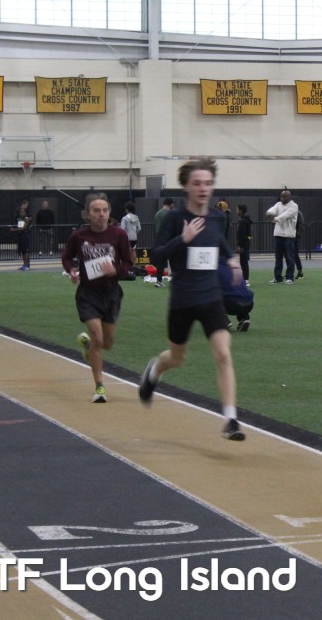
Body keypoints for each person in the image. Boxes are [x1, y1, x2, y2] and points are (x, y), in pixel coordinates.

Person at [138, 158, 246, 441]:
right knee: (176, 358)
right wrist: (182, 239)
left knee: (223, 353)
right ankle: (154, 371)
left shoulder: (218, 217)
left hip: (211, 296)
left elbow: (218, 241)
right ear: (186, 186)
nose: (203, 188)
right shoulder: (174, 219)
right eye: (197, 183)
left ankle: (231, 420)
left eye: (208, 183)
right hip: (183, 299)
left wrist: (231, 259)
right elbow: (155, 256)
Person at [61, 193, 134, 404]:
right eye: (96, 211)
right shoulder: (79, 236)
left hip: (111, 293)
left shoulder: (119, 234)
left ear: (109, 213)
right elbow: (67, 257)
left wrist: (115, 270)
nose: (101, 214)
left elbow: (129, 264)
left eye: (104, 210)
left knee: (106, 343)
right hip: (88, 293)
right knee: (97, 337)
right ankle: (99, 387)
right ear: (88, 214)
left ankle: (88, 348)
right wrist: (71, 270)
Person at [265, 190, 298, 284]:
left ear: (289, 197)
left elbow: (286, 215)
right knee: (278, 258)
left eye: (284, 197)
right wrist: (269, 213)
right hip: (278, 234)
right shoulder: (278, 204)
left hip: (289, 235)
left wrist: (275, 218)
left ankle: (289, 277)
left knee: (289, 257)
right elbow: (271, 210)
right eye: (281, 197)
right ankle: (278, 277)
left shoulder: (294, 206)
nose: (282, 198)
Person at [219, 255, 254, 331]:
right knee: (238, 294)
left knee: (211, 297)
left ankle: (224, 321)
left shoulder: (217, 267)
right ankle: (244, 318)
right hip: (249, 303)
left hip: (232, 304)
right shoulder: (235, 266)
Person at [152, 198, 174, 288]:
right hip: (171, 238)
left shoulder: (158, 214)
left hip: (160, 239)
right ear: (171, 204)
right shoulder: (171, 214)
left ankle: (159, 280)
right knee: (174, 259)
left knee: (161, 261)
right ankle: (175, 279)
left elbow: (157, 229)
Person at [12, 199, 32, 271]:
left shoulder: (26, 219)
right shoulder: (19, 219)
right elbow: (19, 226)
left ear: (25, 213)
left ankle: (27, 265)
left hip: (25, 235)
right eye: (20, 212)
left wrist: (14, 230)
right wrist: (16, 229)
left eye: (23, 212)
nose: (21, 213)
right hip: (20, 235)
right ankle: (24, 265)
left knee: (26, 251)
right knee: (23, 251)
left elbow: (23, 228)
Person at [235, 203, 252, 282]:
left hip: (243, 244)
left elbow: (241, 235)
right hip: (245, 243)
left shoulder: (243, 221)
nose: (236, 211)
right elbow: (249, 235)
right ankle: (244, 278)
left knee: (244, 261)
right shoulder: (244, 220)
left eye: (237, 209)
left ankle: (246, 279)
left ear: (241, 211)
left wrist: (239, 245)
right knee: (243, 261)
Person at [293, 209, 305, 279]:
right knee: (288, 255)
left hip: (294, 236)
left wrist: (298, 235)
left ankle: (300, 271)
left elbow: (301, 224)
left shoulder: (298, 213)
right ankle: (289, 272)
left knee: (295, 254)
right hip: (288, 236)